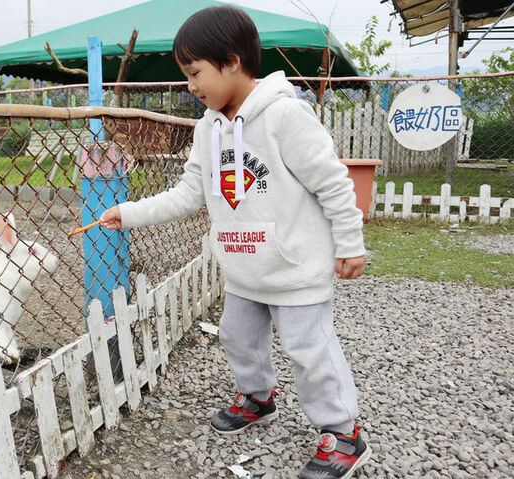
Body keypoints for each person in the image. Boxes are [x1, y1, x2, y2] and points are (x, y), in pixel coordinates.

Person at [99, 5, 371, 478]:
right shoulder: (208, 128)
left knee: (310, 351)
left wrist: (350, 244)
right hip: (244, 269)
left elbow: (333, 182)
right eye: (187, 75)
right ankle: (259, 396)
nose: (191, 85)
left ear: (230, 61)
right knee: (237, 336)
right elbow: (190, 194)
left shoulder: (287, 115)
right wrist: (131, 212)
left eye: (195, 72)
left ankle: (344, 433)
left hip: (295, 269)